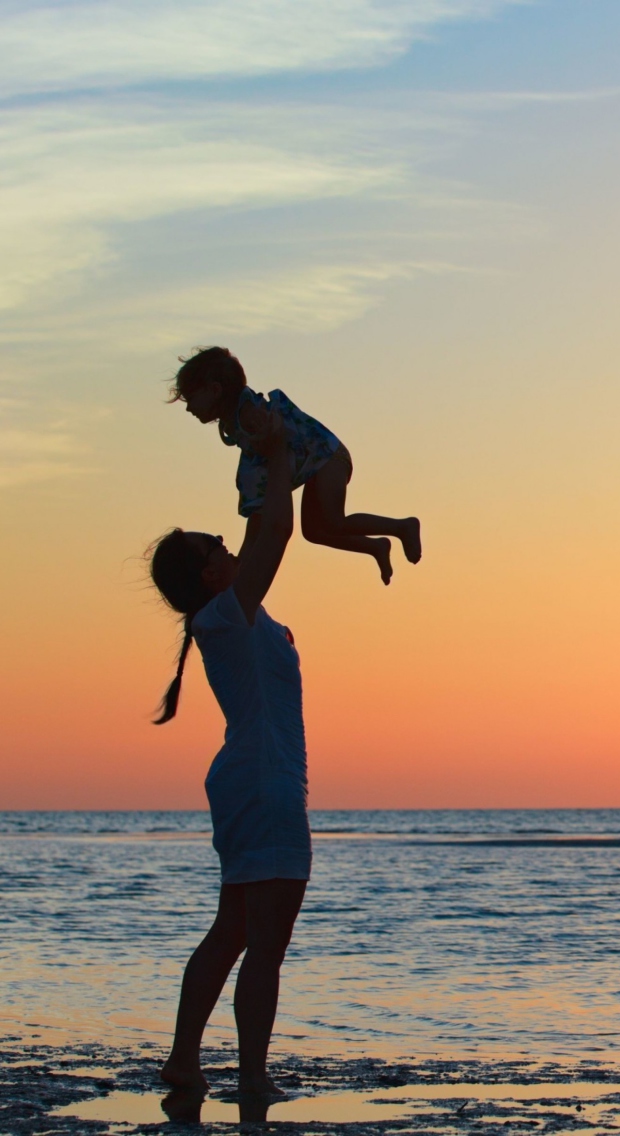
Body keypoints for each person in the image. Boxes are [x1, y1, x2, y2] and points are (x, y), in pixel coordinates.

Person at [148, 412, 310, 1097]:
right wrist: (275, 455)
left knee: (234, 930)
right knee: (262, 944)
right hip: (265, 785)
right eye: (218, 541)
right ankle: (251, 1077)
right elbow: (274, 531)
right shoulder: (225, 611)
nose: (228, 539)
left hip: (250, 782)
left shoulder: (229, 615)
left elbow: (260, 533)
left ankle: (187, 1060)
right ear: (211, 570)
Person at [170, 345, 421, 585]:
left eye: (190, 398)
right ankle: (376, 546)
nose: (189, 407)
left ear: (215, 390)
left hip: (327, 455)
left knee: (333, 521)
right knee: (314, 532)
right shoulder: (234, 420)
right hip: (315, 464)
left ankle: (402, 526)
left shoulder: (251, 417)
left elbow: (266, 466)